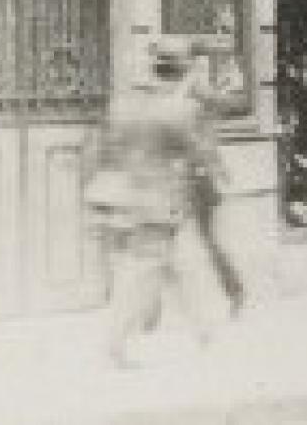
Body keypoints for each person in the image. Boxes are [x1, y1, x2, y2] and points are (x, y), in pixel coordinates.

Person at [87, 33, 214, 367]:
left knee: (182, 266)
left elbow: (106, 146)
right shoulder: (178, 110)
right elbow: (196, 151)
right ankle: (116, 341)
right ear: (182, 70)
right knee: (144, 271)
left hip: (128, 198)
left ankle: (204, 331)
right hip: (159, 202)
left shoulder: (126, 104)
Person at [183, 50, 246, 315]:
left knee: (206, 240)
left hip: (195, 179)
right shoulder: (195, 99)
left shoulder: (198, 100)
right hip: (192, 177)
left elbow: (205, 142)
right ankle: (234, 290)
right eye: (196, 67)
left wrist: (214, 169)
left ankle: (234, 290)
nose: (199, 73)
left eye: (202, 67)